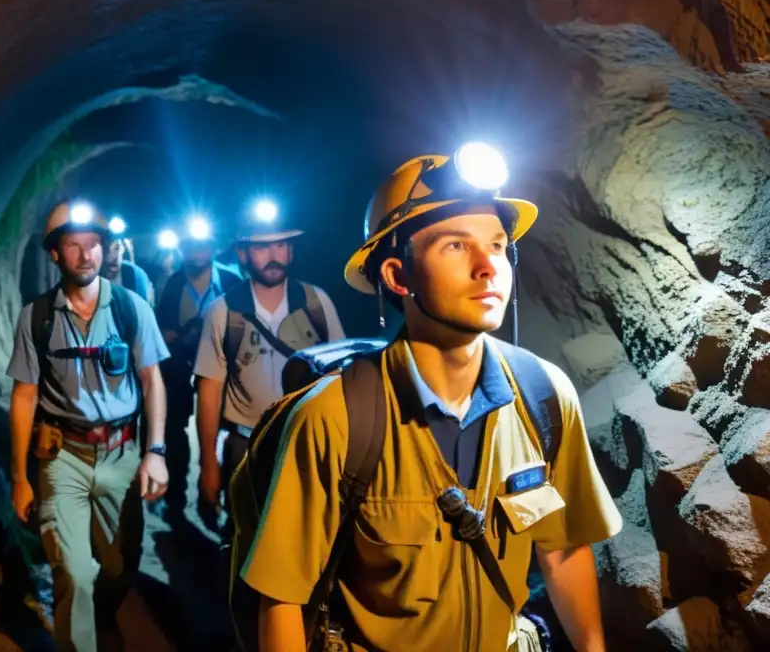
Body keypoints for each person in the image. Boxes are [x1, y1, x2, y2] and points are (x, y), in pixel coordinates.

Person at [235, 146, 623, 652]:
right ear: (397, 276)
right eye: (456, 247)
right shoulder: (335, 419)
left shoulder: (543, 396)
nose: (489, 267)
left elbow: (564, 548)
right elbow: (282, 599)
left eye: (499, 245)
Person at [7, 200, 171, 652]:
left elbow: (152, 380)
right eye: (73, 246)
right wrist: (21, 477)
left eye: (94, 245)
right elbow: (23, 397)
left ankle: (103, 615)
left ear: (106, 250)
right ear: (56, 254)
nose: (85, 255)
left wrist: (155, 452)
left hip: (121, 455)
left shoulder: (131, 308)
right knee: (75, 573)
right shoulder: (36, 318)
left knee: (119, 566)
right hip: (63, 459)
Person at [193, 203, 345, 538]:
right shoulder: (224, 311)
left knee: (308, 541)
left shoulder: (316, 303)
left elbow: (343, 378)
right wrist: (208, 465)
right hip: (246, 448)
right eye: (261, 246)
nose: (273, 254)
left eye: (280, 244)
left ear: (291, 250)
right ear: (243, 254)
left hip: (307, 446)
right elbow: (209, 390)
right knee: (246, 540)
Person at [154, 220, 242, 525]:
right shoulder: (171, 284)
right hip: (180, 367)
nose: (197, 251)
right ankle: (175, 496)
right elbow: (160, 326)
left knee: (222, 430)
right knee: (174, 431)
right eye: (190, 245)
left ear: (214, 247)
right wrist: (175, 336)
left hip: (222, 367)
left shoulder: (231, 281)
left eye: (203, 244)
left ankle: (216, 496)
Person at [103, 236, 155, 306]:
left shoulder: (135, 274)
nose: (115, 256)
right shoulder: (93, 275)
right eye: (108, 250)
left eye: (117, 248)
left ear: (122, 249)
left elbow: (145, 306)